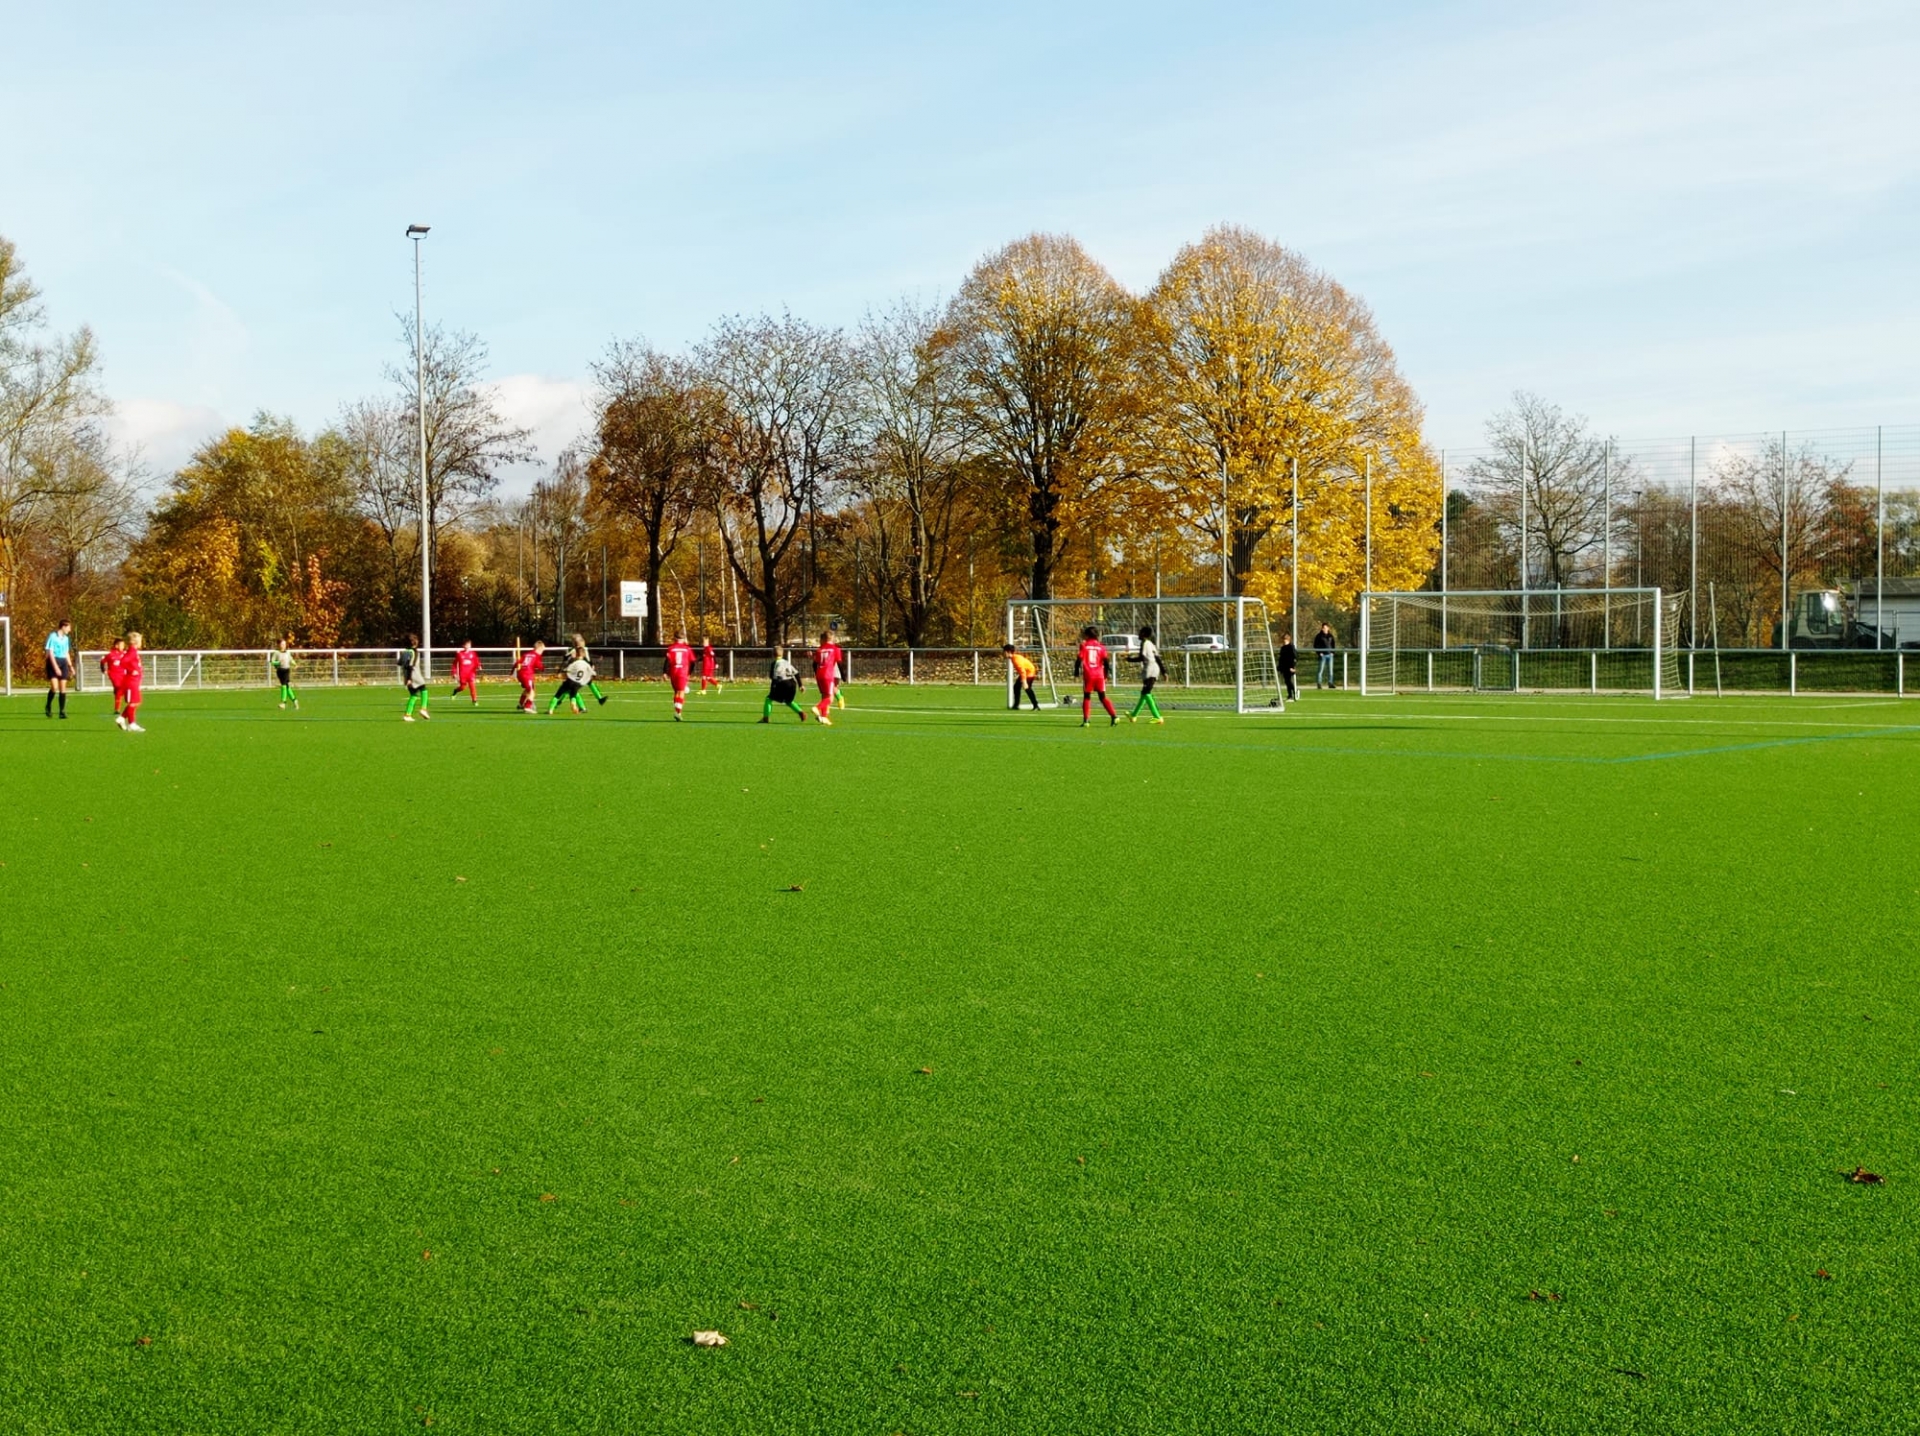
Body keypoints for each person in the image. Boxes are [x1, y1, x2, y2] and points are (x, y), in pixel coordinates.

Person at [1074, 625, 1118, 728]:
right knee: (1102, 697)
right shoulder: (1101, 647)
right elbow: (1106, 662)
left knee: (1087, 696)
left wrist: (1076, 672)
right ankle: (1114, 716)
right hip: (1099, 675)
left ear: (1087, 635)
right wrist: (1106, 675)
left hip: (1089, 675)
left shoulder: (1084, 645)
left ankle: (1086, 721)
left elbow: (1079, 659)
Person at [1126, 624, 1166, 724]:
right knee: (1144, 693)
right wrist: (1164, 671)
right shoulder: (1151, 644)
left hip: (1150, 670)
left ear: (1143, 634)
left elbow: (1141, 658)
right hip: (1154, 669)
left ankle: (1157, 717)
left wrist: (1129, 659)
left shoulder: (1144, 643)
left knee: (1146, 693)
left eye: (1139, 632)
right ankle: (1133, 715)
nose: (1138, 634)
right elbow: (1157, 658)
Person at [759, 647, 808, 723]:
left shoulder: (775, 663)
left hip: (782, 683)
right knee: (788, 701)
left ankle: (765, 718)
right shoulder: (786, 662)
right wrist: (801, 685)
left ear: (773, 654)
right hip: (792, 684)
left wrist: (772, 689)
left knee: (769, 699)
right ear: (782, 654)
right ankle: (801, 712)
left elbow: (774, 677)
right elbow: (796, 673)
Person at [548, 648, 594, 714]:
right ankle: (574, 705)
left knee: (558, 695)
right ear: (583, 655)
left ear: (576, 654)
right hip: (578, 683)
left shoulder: (574, 662)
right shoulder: (585, 664)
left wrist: (561, 672)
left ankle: (550, 710)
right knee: (573, 695)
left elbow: (567, 670)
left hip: (570, 682)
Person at [44, 618, 74, 719]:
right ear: (63, 626)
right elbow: (50, 653)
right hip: (53, 661)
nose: (69, 630)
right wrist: (56, 667)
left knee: (63, 688)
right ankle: (48, 705)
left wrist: (70, 666)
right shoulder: (53, 636)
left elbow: (66, 653)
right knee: (54, 687)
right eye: (69, 627)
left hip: (63, 662)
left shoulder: (66, 638)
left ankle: (62, 711)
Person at [811, 630, 842, 724]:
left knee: (824, 696)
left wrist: (817, 673)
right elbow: (840, 664)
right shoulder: (835, 649)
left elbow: (814, 664)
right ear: (832, 638)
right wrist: (844, 676)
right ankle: (817, 707)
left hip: (819, 675)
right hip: (828, 675)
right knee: (830, 698)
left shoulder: (819, 649)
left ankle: (824, 717)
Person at [569, 634, 610, 705]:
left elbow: (588, 659)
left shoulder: (584, 649)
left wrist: (591, 665)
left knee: (589, 683)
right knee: (570, 688)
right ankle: (559, 700)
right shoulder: (573, 651)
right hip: (576, 672)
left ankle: (599, 699)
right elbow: (569, 659)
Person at [664, 631, 695, 720]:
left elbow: (667, 661)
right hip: (683, 672)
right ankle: (678, 712)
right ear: (683, 639)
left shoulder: (671, 648)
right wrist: (689, 673)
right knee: (681, 692)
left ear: (675, 638)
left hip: (673, 672)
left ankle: (677, 711)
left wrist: (665, 672)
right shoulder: (687, 649)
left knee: (676, 692)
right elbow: (693, 662)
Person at [119, 632, 146, 732]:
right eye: (140, 641)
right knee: (133, 702)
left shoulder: (134, 651)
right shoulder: (132, 652)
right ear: (135, 642)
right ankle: (132, 724)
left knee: (136, 702)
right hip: (131, 681)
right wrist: (131, 670)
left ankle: (122, 719)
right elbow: (123, 662)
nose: (141, 643)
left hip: (134, 681)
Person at [399, 635, 431, 721]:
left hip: (406, 676)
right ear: (415, 642)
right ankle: (423, 709)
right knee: (424, 689)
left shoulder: (405, 651)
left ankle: (407, 715)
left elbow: (399, 663)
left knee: (413, 695)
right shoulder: (415, 652)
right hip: (414, 675)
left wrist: (407, 678)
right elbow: (411, 666)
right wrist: (410, 678)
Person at [101, 637, 131, 722]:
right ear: (116, 645)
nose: (123, 646)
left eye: (123, 645)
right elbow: (102, 661)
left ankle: (117, 709)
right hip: (114, 675)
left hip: (123, 675)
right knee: (118, 686)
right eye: (121, 645)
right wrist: (103, 670)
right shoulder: (110, 654)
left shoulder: (124, 654)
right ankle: (122, 698)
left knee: (119, 691)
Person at [1004, 644, 1041, 711]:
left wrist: (1024, 681)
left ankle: (1036, 705)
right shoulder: (1014, 658)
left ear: (1008, 652)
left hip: (1029, 672)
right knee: (1016, 687)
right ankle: (1016, 705)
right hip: (1027, 671)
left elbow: (1022, 671)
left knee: (1027, 688)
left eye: (1005, 652)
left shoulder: (1016, 659)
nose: (1004, 654)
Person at [514, 640, 546, 713]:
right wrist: (542, 668)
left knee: (528, 689)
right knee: (532, 692)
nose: (542, 652)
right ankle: (527, 707)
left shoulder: (527, 654)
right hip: (527, 674)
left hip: (520, 673)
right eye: (542, 650)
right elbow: (539, 665)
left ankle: (521, 704)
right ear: (539, 648)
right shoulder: (536, 655)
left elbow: (517, 662)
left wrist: (512, 671)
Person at [269, 634, 300, 709]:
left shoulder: (287, 652)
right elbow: (271, 661)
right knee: (287, 687)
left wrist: (295, 664)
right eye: (282, 644)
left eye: (285, 644)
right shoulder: (276, 653)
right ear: (278, 645)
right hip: (280, 671)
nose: (284, 645)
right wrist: (278, 663)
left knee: (283, 686)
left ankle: (283, 703)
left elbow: (291, 659)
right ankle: (295, 700)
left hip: (286, 670)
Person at [1313, 623, 1337, 689]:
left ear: (1328, 628)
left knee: (1330, 670)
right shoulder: (1319, 636)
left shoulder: (1330, 636)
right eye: (1323, 628)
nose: (1324, 629)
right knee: (1320, 670)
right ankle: (1319, 683)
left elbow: (1333, 645)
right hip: (1322, 655)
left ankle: (1330, 683)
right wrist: (1319, 653)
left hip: (1330, 655)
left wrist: (1333, 653)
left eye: (1326, 627)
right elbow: (1315, 645)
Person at [1279, 631, 1300, 702]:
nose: (1284, 641)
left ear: (1288, 639)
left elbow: (1295, 657)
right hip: (1284, 667)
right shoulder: (1282, 648)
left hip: (1290, 667)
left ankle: (1294, 692)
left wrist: (1292, 667)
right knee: (1286, 681)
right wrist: (1279, 667)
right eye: (1283, 639)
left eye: (1286, 639)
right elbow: (1281, 658)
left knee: (1288, 681)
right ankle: (1290, 695)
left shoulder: (1291, 647)